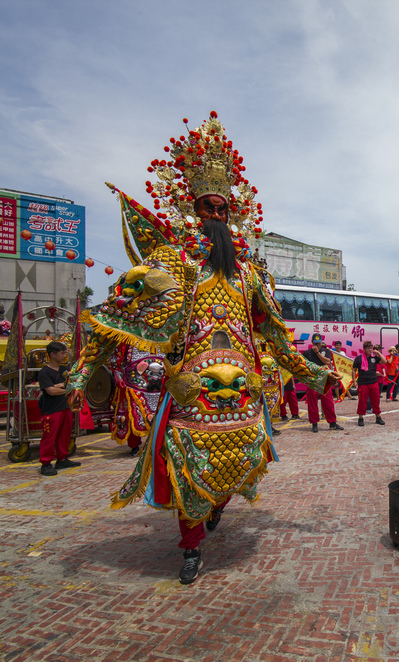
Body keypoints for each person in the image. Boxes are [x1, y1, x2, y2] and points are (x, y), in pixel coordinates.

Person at [66, 113, 339, 585]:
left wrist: (314, 372)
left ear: (233, 216)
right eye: (208, 209)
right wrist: (83, 368)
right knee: (188, 461)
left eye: (223, 210)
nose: (216, 218)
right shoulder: (176, 262)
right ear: (193, 212)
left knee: (241, 459)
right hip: (193, 393)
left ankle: (217, 507)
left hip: (243, 391)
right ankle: (190, 547)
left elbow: (275, 335)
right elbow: (121, 312)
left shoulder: (251, 275)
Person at [38, 341, 80, 476]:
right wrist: (66, 388)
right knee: (49, 436)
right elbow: (51, 391)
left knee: (65, 434)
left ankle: (62, 458)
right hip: (51, 409)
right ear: (52, 354)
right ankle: (45, 463)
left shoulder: (65, 369)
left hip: (65, 406)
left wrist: (61, 386)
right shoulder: (44, 372)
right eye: (62, 353)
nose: (64, 356)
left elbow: (72, 383)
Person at [304, 335, 343, 432]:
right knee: (312, 402)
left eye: (319, 342)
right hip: (312, 380)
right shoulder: (307, 353)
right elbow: (303, 365)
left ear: (321, 342)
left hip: (325, 380)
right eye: (315, 342)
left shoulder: (326, 351)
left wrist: (317, 352)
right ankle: (314, 424)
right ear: (312, 342)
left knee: (328, 402)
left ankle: (332, 423)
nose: (317, 344)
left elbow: (327, 362)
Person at [352, 341, 386, 426]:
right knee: (362, 401)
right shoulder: (359, 358)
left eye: (371, 348)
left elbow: (384, 361)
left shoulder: (374, 358)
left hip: (374, 382)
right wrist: (354, 381)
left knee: (376, 400)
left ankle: (378, 417)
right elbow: (354, 369)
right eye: (368, 348)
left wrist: (378, 353)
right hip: (363, 383)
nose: (370, 350)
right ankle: (360, 418)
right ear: (364, 349)